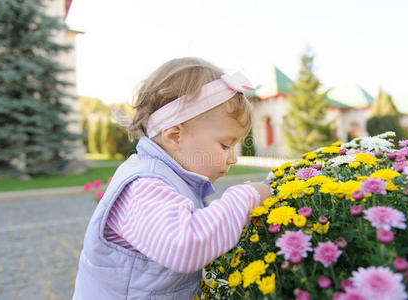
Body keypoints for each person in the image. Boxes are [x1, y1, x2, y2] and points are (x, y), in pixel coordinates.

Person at [72, 57, 271, 300]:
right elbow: (185, 246)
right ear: (175, 136)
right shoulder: (144, 186)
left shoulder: (168, 178)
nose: (233, 159)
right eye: (225, 145)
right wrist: (246, 198)